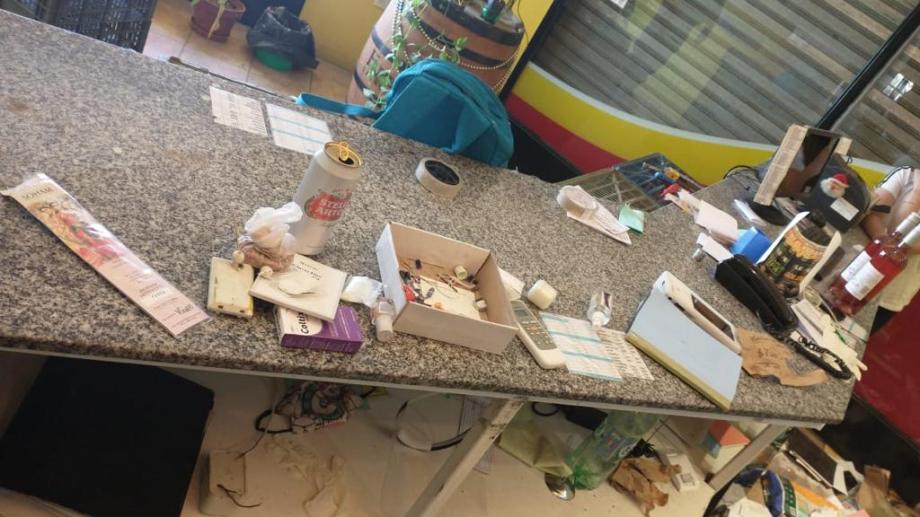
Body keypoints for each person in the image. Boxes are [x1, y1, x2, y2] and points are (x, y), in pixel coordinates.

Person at [860, 165, 920, 333]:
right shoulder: (906, 174)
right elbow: (870, 213)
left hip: (886, 297)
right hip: (856, 269)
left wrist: (917, 193)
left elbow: (904, 238)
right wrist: (889, 244)